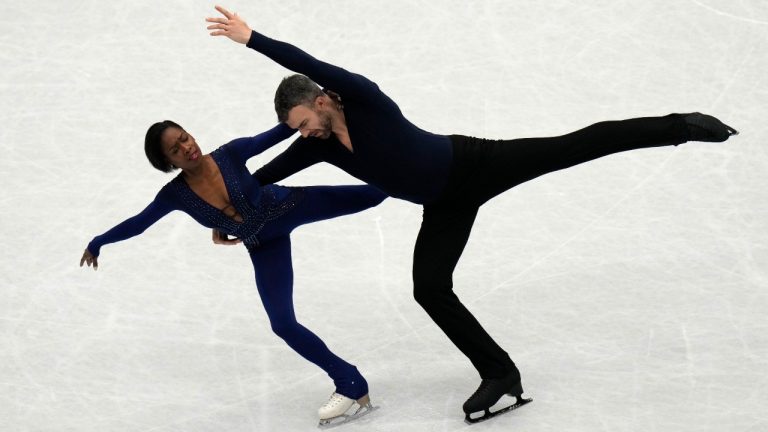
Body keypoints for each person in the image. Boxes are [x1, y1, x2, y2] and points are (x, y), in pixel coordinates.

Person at [205, 5, 739, 423]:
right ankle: (501, 375)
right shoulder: (319, 146)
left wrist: (252, 39)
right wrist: (231, 216)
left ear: (321, 101)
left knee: (574, 145)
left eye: (303, 122)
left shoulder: (362, 99)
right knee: (429, 288)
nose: (304, 134)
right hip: (443, 205)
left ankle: (680, 125)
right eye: (297, 130)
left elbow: (308, 63)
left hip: (475, 164)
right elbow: (260, 178)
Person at [80, 121, 386, 427]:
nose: (187, 147)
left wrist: (319, 109)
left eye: (185, 138)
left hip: (290, 206)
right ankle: (350, 381)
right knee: (283, 324)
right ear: (168, 162)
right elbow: (138, 223)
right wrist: (97, 242)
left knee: (376, 192)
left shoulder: (230, 153)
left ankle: (417, 175)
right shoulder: (175, 195)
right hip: (264, 247)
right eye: (175, 149)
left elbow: (282, 130)